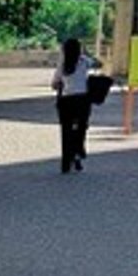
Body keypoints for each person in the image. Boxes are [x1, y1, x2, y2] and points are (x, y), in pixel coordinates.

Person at [51, 34, 95, 174]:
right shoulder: (84, 62)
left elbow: (54, 83)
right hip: (82, 101)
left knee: (66, 131)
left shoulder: (63, 65)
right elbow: (97, 63)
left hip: (66, 102)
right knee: (81, 128)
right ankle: (78, 150)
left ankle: (65, 163)